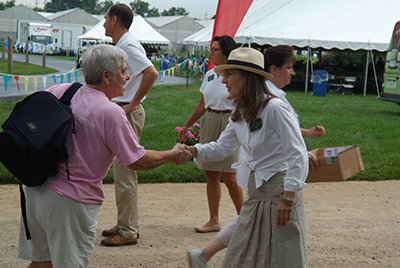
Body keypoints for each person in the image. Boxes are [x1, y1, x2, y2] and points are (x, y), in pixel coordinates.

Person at [16, 44, 192, 268]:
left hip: (34, 191)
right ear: (106, 76)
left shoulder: (62, 90)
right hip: (69, 202)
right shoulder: (110, 112)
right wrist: (172, 154)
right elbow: (137, 160)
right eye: (123, 71)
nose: (128, 76)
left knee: (42, 264)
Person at [188, 44, 325, 268]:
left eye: (229, 74)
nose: (223, 81)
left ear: (247, 77)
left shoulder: (275, 108)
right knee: (242, 252)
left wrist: (288, 197)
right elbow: (222, 147)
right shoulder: (241, 111)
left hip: (281, 192)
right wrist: (192, 150)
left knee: (283, 257)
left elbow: (297, 154)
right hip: (257, 191)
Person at [101, 3, 159, 247]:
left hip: (127, 112)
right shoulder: (123, 44)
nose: (103, 22)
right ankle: (124, 222)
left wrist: (132, 104)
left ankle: (127, 231)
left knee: (126, 172)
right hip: (123, 111)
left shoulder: (128, 44)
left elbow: (151, 73)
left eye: (105, 18)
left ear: (115, 20)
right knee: (122, 171)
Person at [178, 35, 243, 233]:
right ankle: (213, 220)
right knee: (211, 174)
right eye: (211, 49)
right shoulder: (210, 75)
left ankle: (245, 219)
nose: (211, 53)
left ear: (226, 52)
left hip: (231, 121)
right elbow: (202, 104)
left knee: (230, 176)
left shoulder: (237, 74)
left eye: (215, 50)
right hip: (210, 120)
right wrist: (187, 125)